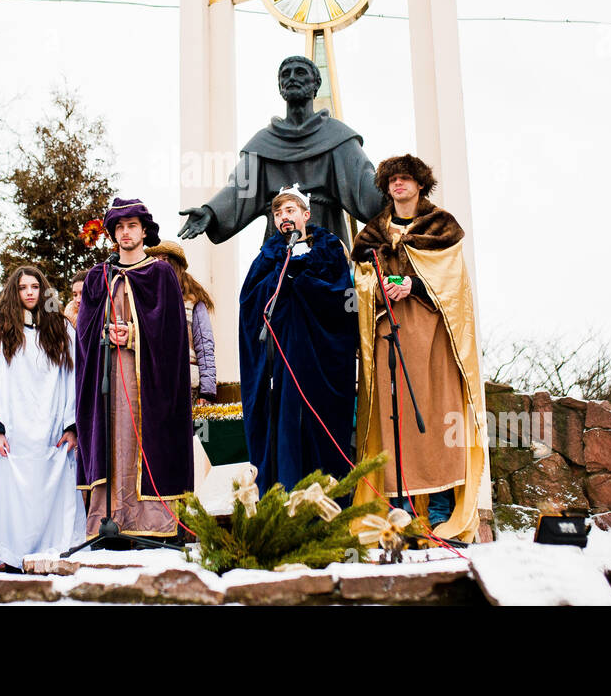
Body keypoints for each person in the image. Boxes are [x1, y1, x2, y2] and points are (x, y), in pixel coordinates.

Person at [350, 154, 487, 544]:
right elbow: (359, 281)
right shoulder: (372, 234)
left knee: (437, 413)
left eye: (406, 179)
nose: (399, 185)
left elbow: (453, 286)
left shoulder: (441, 228)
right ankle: (403, 509)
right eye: (392, 180)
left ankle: (443, 507)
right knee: (394, 420)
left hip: (432, 335)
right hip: (387, 335)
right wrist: (378, 288)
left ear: (420, 184)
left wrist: (415, 285)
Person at [75, 198, 192, 540]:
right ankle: (109, 520)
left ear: (144, 231)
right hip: (107, 377)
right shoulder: (100, 276)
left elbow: (173, 334)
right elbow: (84, 329)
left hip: (148, 381)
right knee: (112, 439)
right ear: (113, 234)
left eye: (132, 226)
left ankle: (151, 524)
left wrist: (135, 335)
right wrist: (104, 332)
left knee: (143, 442)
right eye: (119, 227)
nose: (126, 233)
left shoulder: (160, 274)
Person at [179, 55, 386, 246]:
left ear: (316, 84)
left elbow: (364, 185)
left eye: (300, 73)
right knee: (276, 285)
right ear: (280, 86)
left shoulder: (337, 137)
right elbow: (239, 189)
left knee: (325, 284)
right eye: (286, 74)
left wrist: (399, 194)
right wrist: (211, 212)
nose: (292, 78)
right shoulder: (264, 143)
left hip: (325, 234)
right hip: (278, 240)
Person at [238, 185, 357, 494]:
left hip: (319, 358)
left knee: (318, 428)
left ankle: (325, 504)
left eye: (289, 210)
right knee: (285, 426)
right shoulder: (268, 254)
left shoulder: (330, 248)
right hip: (280, 360)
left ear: (306, 214)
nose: (283, 217)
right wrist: (281, 277)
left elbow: (345, 298)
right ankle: (284, 500)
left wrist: (302, 281)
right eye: (277, 213)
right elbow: (249, 301)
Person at [0, 265, 84, 569]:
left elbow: (72, 379)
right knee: (9, 498)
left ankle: (55, 549)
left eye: (35, 287)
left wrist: (71, 425)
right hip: (14, 432)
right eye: (23, 288)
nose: (29, 293)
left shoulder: (62, 331)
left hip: (51, 430)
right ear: (15, 292)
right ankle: (7, 555)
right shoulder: (0, 334)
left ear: (43, 291)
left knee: (52, 495)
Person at [146, 241, 217, 404]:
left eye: (163, 259)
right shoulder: (147, 301)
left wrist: (207, 392)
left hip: (187, 385)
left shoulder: (193, 303)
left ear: (174, 266)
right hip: (154, 386)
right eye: (153, 261)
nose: (158, 265)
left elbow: (205, 347)